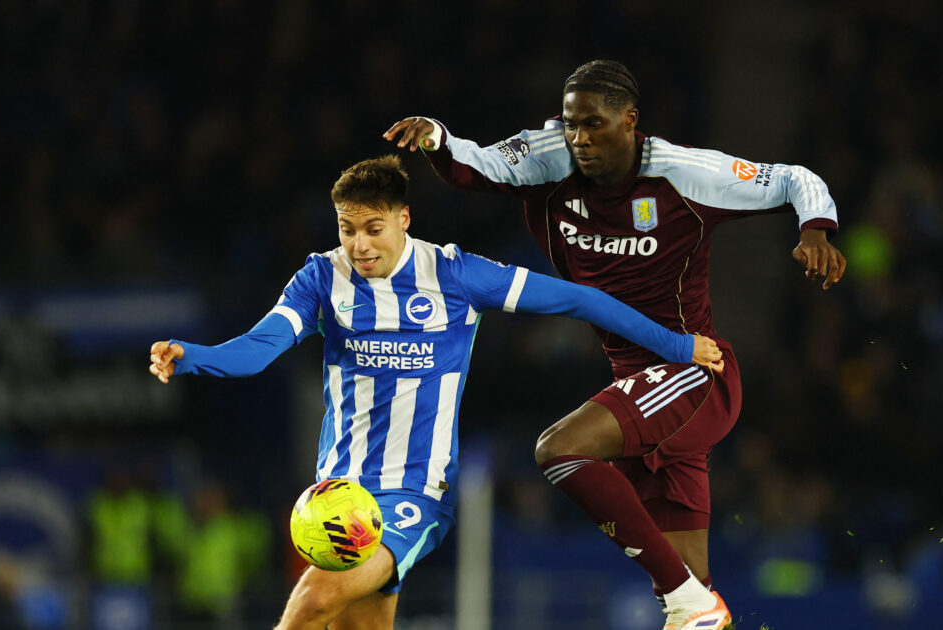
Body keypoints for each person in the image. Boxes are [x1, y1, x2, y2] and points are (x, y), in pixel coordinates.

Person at [148, 155, 725, 630]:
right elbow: (259, 347)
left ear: (403, 219)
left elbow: (579, 299)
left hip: (414, 493)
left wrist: (674, 344)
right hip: (336, 495)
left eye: (373, 229)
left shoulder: (456, 275)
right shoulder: (321, 278)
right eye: (347, 229)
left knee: (316, 597)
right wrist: (193, 356)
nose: (359, 245)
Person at [384, 59, 847, 629]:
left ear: (630, 121)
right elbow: (475, 166)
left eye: (594, 124)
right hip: (639, 384)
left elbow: (796, 177)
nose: (579, 139)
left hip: (694, 374)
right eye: (571, 124)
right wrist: (436, 137)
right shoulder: (548, 155)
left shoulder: (683, 173)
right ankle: (693, 602)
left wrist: (815, 229)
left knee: (559, 449)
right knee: (692, 604)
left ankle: (689, 599)